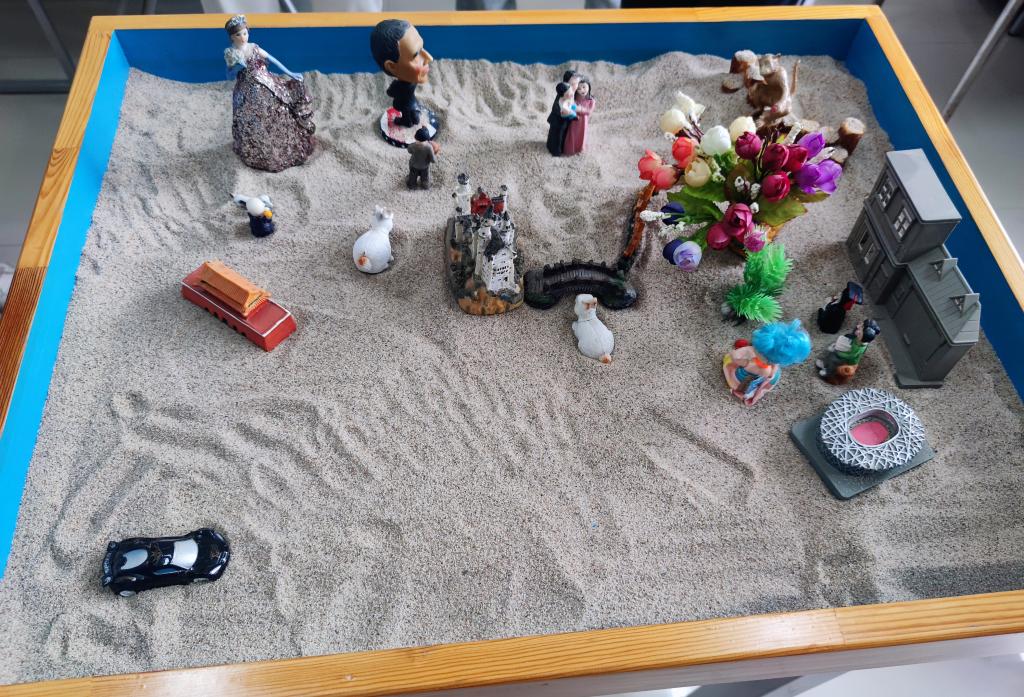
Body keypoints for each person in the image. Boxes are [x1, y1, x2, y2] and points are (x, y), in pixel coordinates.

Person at [223, 15, 315, 172]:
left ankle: (281, 143)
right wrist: (236, 67)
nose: (243, 37)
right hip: (246, 90)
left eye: (245, 33)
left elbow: (273, 59)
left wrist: (290, 73)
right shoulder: (231, 53)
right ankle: (256, 148)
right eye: (238, 34)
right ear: (232, 37)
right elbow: (229, 75)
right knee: (251, 118)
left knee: (279, 107)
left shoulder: (254, 48)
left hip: (267, 84)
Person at [370, 19, 433, 129]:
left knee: (409, 114)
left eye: (422, 48)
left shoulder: (403, 84)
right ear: (392, 67)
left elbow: (391, 92)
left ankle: (411, 119)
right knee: (408, 115)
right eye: (416, 55)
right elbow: (392, 92)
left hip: (409, 104)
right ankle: (409, 121)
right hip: (407, 105)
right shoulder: (404, 85)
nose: (429, 58)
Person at [816, 319, 881, 385]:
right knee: (831, 354)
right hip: (848, 350)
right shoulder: (858, 339)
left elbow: (850, 356)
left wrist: (838, 353)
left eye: (860, 331)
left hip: (848, 360)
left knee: (834, 359)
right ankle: (825, 363)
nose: (858, 327)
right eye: (860, 325)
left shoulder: (858, 347)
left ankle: (828, 371)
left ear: (862, 337)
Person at [563, 77, 595, 156]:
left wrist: (580, 109)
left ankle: (580, 149)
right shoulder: (575, 99)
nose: (582, 90)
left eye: (584, 87)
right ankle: (570, 149)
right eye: (579, 89)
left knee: (582, 135)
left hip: (583, 122)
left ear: (588, 86)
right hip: (574, 121)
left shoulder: (591, 101)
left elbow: (589, 111)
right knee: (572, 134)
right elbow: (570, 107)